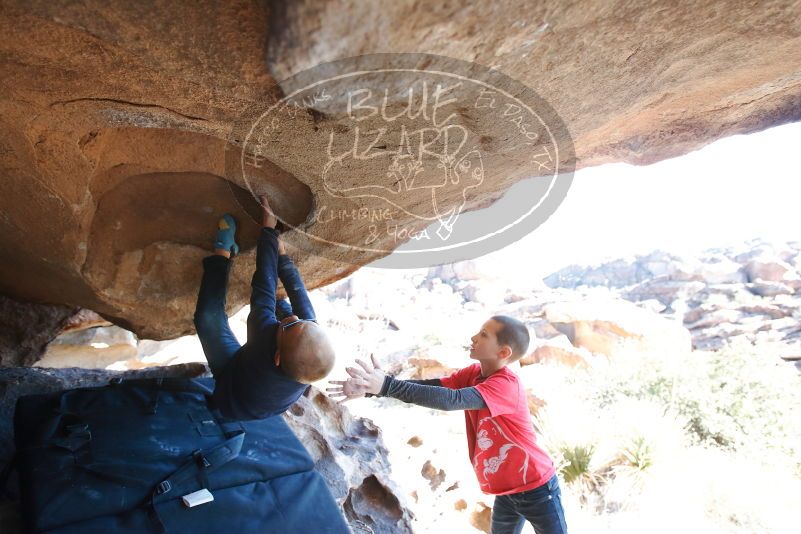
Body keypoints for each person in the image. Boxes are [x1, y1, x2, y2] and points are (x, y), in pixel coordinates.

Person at [328, 315, 567, 534]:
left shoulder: (506, 385)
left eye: (484, 335)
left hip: (537, 488)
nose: (474, 337)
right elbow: (435, 387)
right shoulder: (474, 373)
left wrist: (387, 386)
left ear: (503, 352)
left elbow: (452, 400)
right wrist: (374, 389)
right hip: (507, 490)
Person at [193, 195, 336, 420]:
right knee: (286, 311)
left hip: (232, 391)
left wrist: (268, 231)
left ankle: (222, 252)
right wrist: (282, 253)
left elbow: (264, 285)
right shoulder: (305, 342)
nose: (295, 317)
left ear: (277, 357)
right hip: (259, 383)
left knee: (207, 320)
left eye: (289, 325)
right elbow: (298, 294)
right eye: (304, 322)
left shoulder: (263, 337)